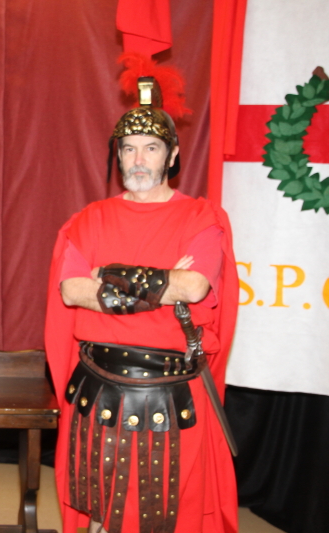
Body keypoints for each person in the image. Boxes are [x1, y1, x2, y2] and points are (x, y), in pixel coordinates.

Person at [45, 78, 239, 533]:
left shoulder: (202, 218)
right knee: (101, 509)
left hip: (171, 394)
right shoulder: (88, 220)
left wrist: (106, 274)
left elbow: (193, 286)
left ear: (171, 156)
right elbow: (72, 292)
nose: (137, 159)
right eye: (128, 148)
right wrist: (160, 284)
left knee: (168, 516)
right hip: (98, 389)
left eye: (151, 148)